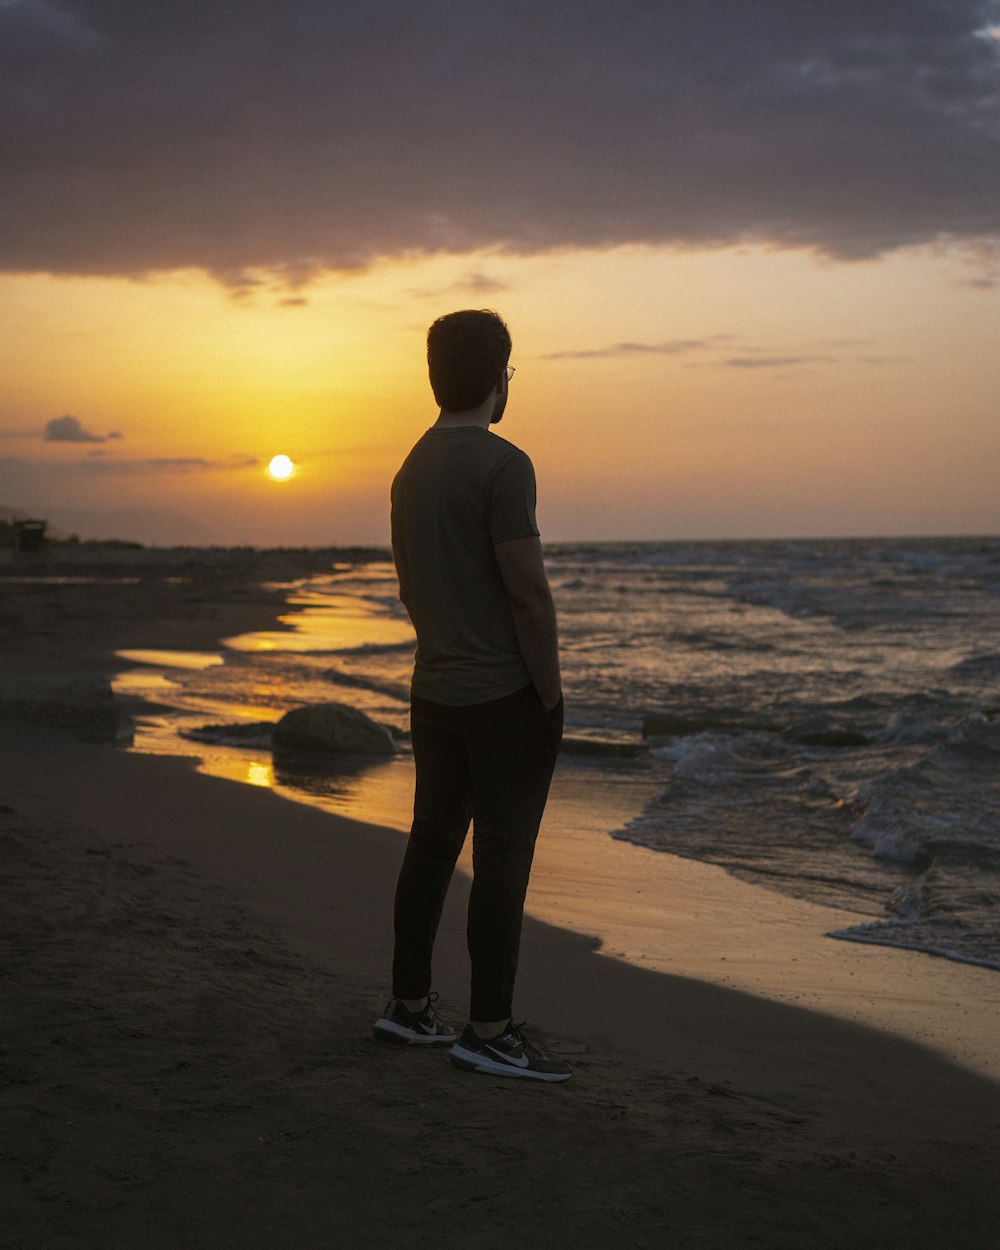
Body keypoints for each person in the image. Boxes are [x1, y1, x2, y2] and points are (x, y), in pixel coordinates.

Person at [372, 309, 571, 1082]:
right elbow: (529, 595)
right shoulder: (503, 464)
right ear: (500, 378)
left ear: (434, 378)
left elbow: (408, 585)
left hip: (436, 689)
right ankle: (488, 1031)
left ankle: (410, 1008)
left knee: (431, 846)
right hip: (502, 698)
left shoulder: (410, 469)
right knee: (502, 861)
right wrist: (547, 694)